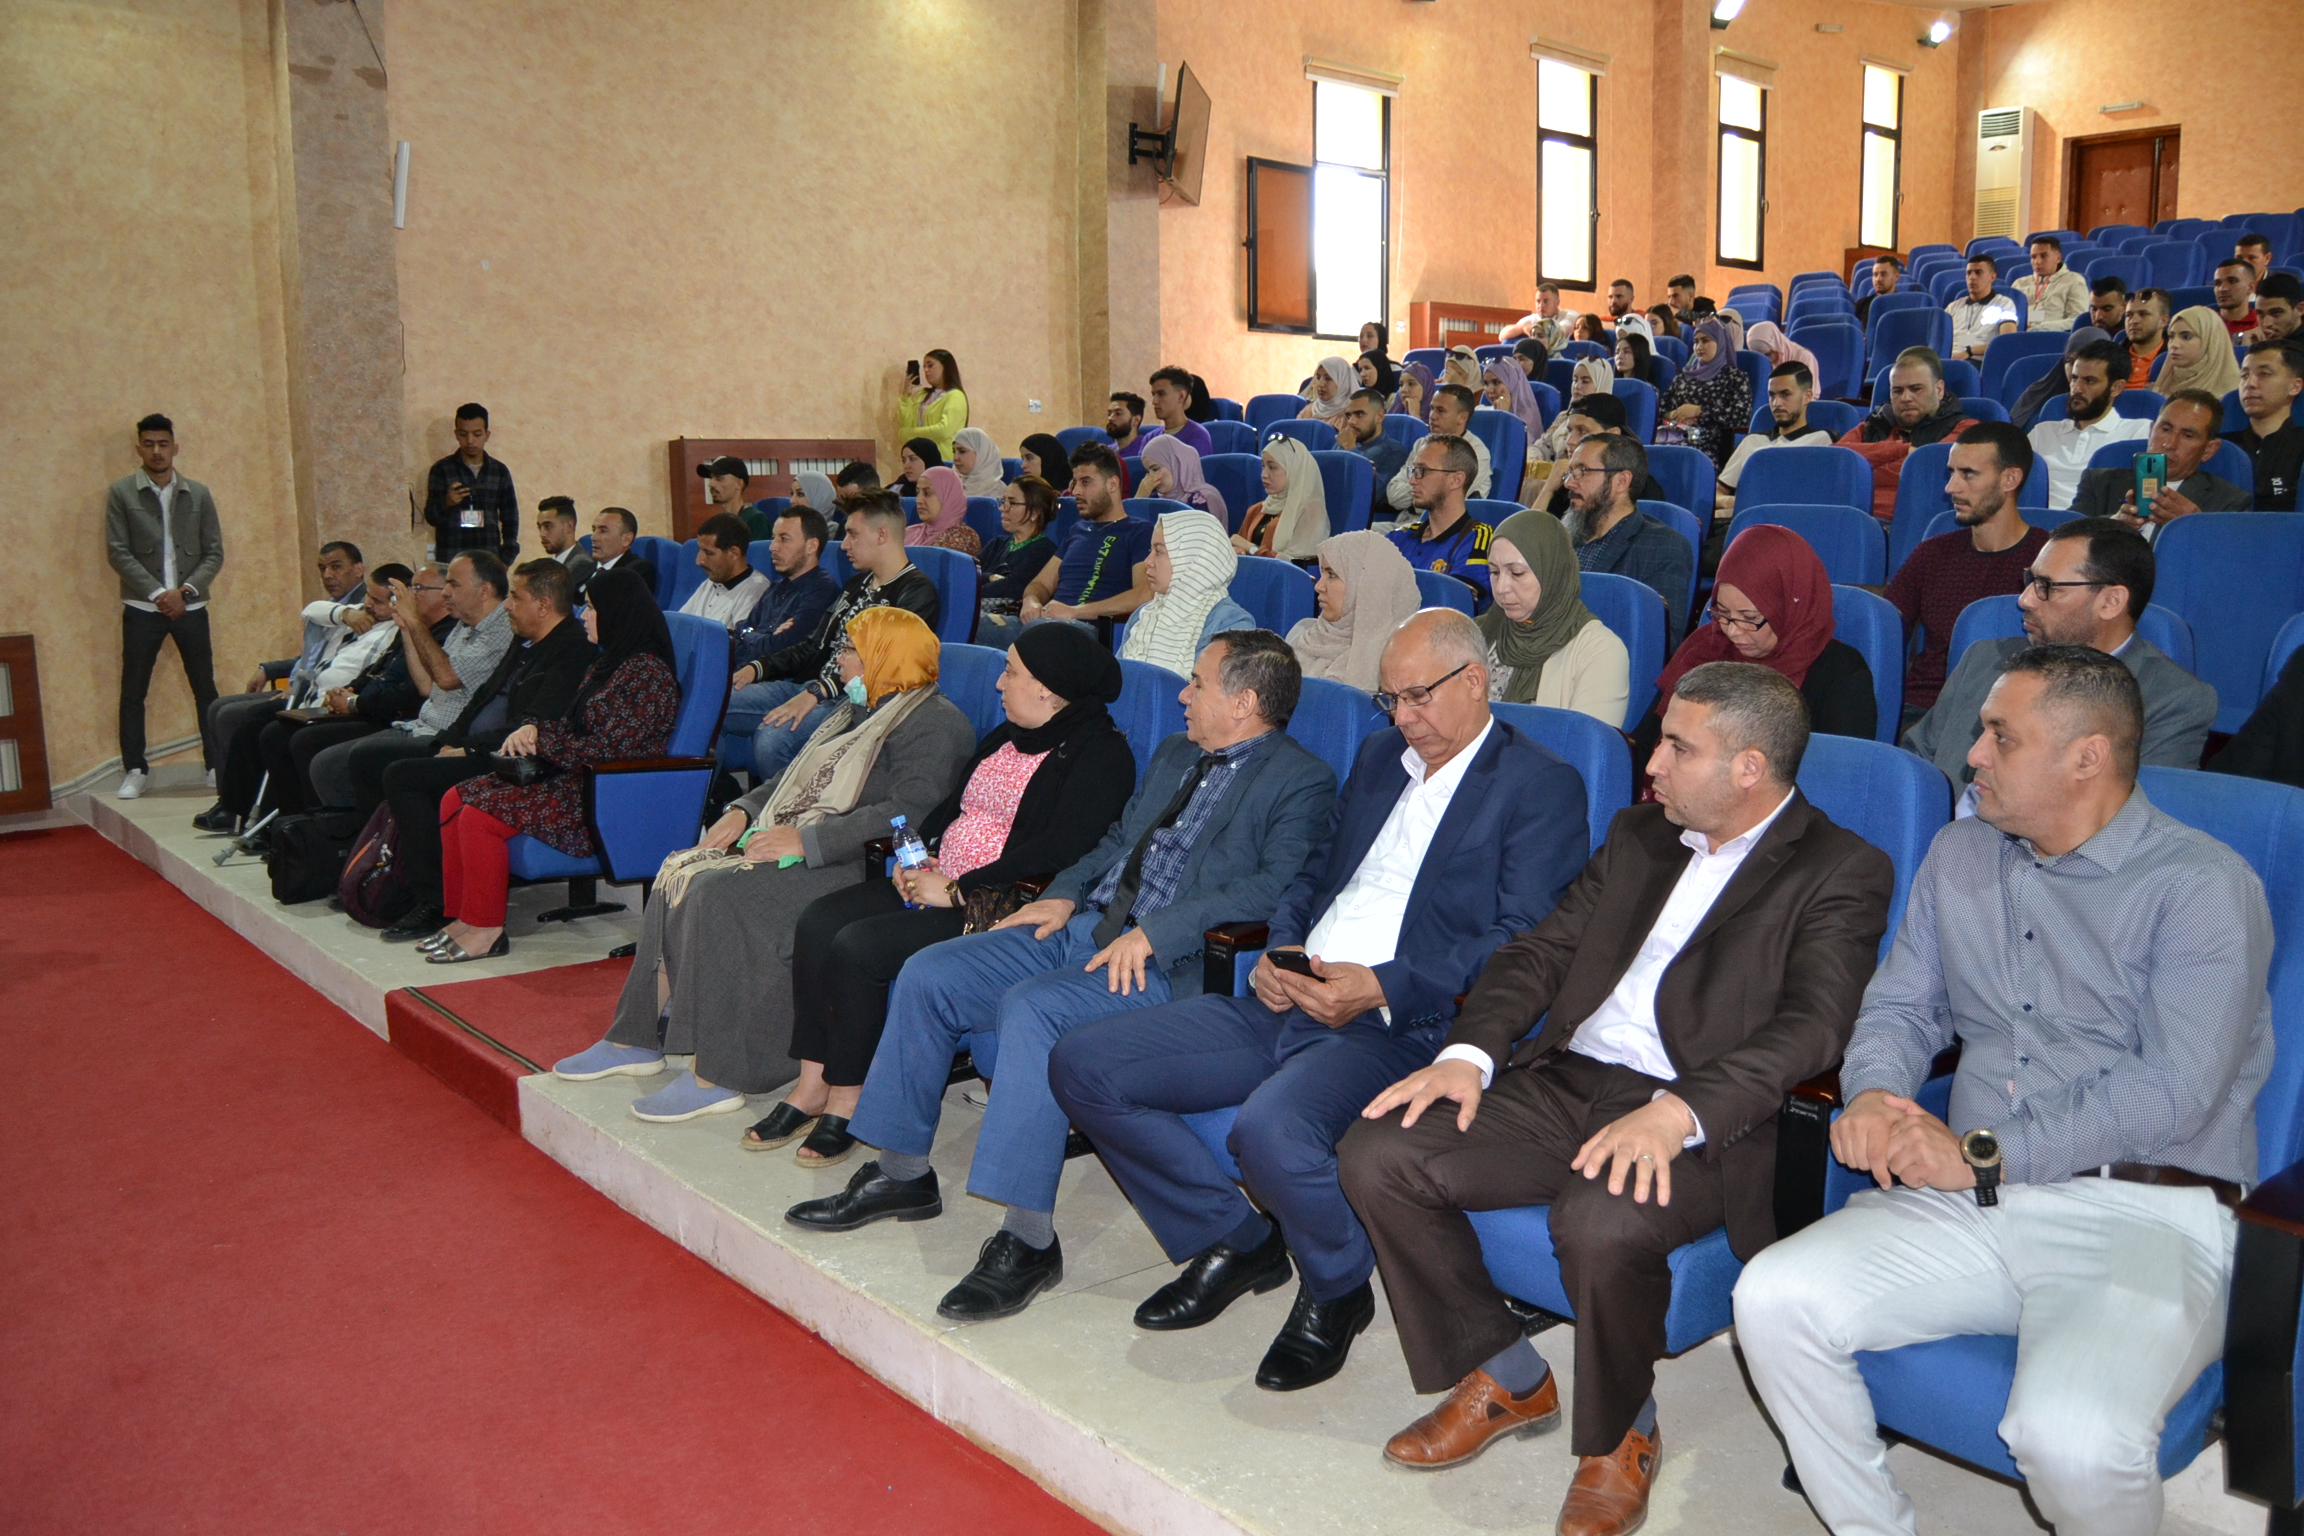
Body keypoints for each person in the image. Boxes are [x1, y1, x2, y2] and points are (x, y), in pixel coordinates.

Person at [1340, 661, 1892, 1535]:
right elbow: (1540, 953)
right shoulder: (1642, 834)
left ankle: (1622, 1433)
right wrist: (1469, 1055)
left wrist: (1680, 1112)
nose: (1653, 764)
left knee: (1599, 1220)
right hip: (1570, 1078)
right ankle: (1508, 1376)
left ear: (1749, 767)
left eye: (1678, 747)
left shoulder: (1841, 869)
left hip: (1702, 1114)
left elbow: (1814, 1029)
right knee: (1379, 1150)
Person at [1736, 644, 2270, 1536]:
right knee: (1772, 1297)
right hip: (1975, 1205)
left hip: (2144, 1211)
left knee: (2072, 1441)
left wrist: (1983, 1155)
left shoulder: (2202, 887)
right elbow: (1902, 1007)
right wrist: (1871, 1092)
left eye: (2000, 736)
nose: (1972, 753)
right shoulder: (1962, 852)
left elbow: (2173, 1091)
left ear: (2087, 757)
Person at [1051, 610, 1588, 1389]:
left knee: (1271, 1131)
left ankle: (1336, 1287)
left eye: (1418, 697)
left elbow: (1521, 938)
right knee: (1084, 1064)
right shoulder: (1380, 758)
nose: (1403, 718)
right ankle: (1237, 1238)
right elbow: (1313, 873)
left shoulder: (1538, 785)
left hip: (1399, 1024)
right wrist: (1281, 950)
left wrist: (1382, 985)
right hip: (1292, 994)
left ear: (1474, 681)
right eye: (1389, 700)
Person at [791, 631, 1338, 1325]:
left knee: (1033, 1010)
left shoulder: (1301, 780)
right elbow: (1115, 843)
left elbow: (1273, 888)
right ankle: (902, 1173)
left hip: (1166, 960)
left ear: (1244, 702)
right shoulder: (1177, 754)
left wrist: (1159, 931)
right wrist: (1061, 893)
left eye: (1198, 683)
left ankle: (1027, 1241)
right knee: (931, 972)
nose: (1182, 695)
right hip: (1087, 925)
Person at [554, 608, 976, 1118]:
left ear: (886, 658)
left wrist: (805, 840)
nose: (839, 662)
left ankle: (721, 1073)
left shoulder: (936, 725)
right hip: (810, 843)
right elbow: (794, 776)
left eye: (850, 652)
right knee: (678, 872)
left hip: (862, 864)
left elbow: (910, 812)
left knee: (717, 893)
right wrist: (744, 809)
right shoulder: (858, 709)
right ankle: (635, 1038)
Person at [756, 627, 1137, 1164]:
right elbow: (952, 806)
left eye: (1011, 672)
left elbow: (1062, 850)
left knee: (860, 947)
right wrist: (920, 855)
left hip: (995, 904)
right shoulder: (1007, 735)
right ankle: (812, 1084)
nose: (999, 684)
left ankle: (848, 1097)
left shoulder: (1101, 754)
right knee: (818, 922)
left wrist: (959, 890)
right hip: (940, 880)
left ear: (1047, 688)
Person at [422, 568, 676, 964]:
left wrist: (544, 742)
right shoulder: (609, 663)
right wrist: (535, 729)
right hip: (574, 777)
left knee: (478, 817)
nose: (582, 616)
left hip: (603, 792)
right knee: (454, 798)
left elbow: (612, 750)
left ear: (616, 613)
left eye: (591, 608)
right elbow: (578, 726)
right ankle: (464, 918)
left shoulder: (647, 674)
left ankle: (486, 930)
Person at [1904, 518, 2216, 795]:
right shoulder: (1982, 659)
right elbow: (1916, 769)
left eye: (2047, 586)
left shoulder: (2172, 701)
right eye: (2031, 580)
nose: (2025, 600)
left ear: (2111, 602)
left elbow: (2134, 821)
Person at [375, 558, 600, 942]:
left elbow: (534, 724)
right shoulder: (524, 639)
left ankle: (433, 901)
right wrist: (451, 739)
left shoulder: (572, 651)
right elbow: (482, 697)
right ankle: (391, 880)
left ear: (543, 605)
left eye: (516, 597)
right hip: (486, 745)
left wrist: (467, 750)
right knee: (374, 762)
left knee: (404, 776)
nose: (507, 605)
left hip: (521, 761)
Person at [726, 493, 939, 788]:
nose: (845, 544)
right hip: (812, 687)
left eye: (853, 534)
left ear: (881, 535)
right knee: (720, 701)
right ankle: (719, 795)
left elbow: (882, 666)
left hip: (855, 702)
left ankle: (794, 810)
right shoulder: (856, 584)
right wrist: (759, 667)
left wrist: (817, 692)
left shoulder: (915, 592)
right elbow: (814, 645)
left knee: (773, 740)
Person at [1633, 524, 1875, 755]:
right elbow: (1646, 745)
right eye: (1722, 613)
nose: (1732, 631)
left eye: (1749, 618)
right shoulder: (1705, 649)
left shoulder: (1841, 674)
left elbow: (1840, 774)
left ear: (1788, 609)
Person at [200, 566, 408, 829]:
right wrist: (345, 613)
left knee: (271, 728)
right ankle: (241, 810)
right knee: (250, 719)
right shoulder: (358, 614)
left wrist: (344, 694)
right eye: (368, 596)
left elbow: (374, 675)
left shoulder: (396, 630)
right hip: (313, 693)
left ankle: (280, 823)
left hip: (338, 701)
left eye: (377, 600)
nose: (368, 604)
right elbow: (310, 611)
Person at [1888, 423, 2052, 721]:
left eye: (1968, 474)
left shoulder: (2049, 559)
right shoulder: (1932, 553)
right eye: (1951, 472)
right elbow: (1886, 627)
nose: (1951, 487)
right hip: (1924, 710)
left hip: (2014, 714)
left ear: (2010, 479)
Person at [342, 551, 514, 820]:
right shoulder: (465, 625)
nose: (446, 592)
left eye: (454, 584)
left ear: (484, 591)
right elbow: (426, 686)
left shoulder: (500, 629)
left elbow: (446, 678)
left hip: (449, 736)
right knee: (332, 753)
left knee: (361, 758)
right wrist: (407, 628)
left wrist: (414, 621)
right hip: (422, 726)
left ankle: (380, 838)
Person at [109, 413, 225, 800]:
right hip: (142, 608)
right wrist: (159, 593)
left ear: (175, 448)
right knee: (133, 691)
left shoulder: (199, 494)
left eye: (163, 444)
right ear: (138, 448)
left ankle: (215, 765)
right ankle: (135, 770)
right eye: (149, 444)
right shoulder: (122, 493)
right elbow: (118, 552)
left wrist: (184, 592)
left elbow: (214, 553)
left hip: (191, 606)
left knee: (205, 689)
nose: (156, 451)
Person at [987, 444, 1154, 644]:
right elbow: (1040, 584)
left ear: (1112, 484)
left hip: (1087, 631)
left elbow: (1144, 595)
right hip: (1045, 624)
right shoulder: (1077, 531)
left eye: (1086, 482)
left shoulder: (1140, 532)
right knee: (974, 623)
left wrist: (1073, 612)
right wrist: (1032, 601)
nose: (1075, 491)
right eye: (1074, 482)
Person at [1477, 509, 1629, 724]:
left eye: (1517, 573)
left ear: (1552, 573)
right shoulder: (1475, 634)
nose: (1501, 588)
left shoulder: (1600, 651)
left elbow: (1585, 742)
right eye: (1494, 572)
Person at [1561, 433, 1695, 650]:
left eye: (1582, 471)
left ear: (1621, 481)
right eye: (1570, 472)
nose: (1569, 483)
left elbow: (1659, 641)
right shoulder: (1561, 538)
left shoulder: (1662, 546)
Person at [2072, 391, 2251, 529]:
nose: (2169, 444)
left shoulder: (2229, 502)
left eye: (2188, 436)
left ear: (2208, 450)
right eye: (2165, 429)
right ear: (2151, 431)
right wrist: (2110, 525)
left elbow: (2230, 558)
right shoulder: (2098, 483)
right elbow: (2065, 535)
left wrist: (2194, 526)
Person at [1838, 347, 1978, 521]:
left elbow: (1925, 472)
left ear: (1939, 390)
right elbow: (1837, 460)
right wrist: (1902, 450)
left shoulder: (1965, 429)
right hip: (1849, 519)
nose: (1905, 398)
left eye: (1916, 389)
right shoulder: (1873, 426)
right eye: (1897, 391)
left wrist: (1864, 466)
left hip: (1908, 524)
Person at [1118, 513, 1256, 677]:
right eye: (1150, 550)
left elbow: (1214, 690)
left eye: (1159, 551)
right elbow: (1117, 682)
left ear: (1193, 559)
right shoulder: (1142, 616)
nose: (1148, 561)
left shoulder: (1232, 625)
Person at [1286, 531, 1421, 693]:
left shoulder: (1389, 659)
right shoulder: (1303, 634)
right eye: (1322, 573)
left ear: (1366, 585)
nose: (1319, 586)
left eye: (1332, 575)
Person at [2024, 337, 2150, 507]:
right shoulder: (2042, 433)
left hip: (2099, 521)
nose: (2076, 388)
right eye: (2074, 378)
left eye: (2089, 381)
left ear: (2116, 388)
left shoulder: (2138, 432)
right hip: (2038, 520)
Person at [730, 504, 842, 672]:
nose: (772, 547)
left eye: (784, 539)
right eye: (773, 537)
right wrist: (758, 636)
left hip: (778, 679)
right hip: (743, 672)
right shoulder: (775, 588)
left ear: (811, 546)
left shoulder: (822, 590)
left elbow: (784, 650)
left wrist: (749, 636)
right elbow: (741, 629)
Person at [1716, 362, 1832, 516]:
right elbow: (1718, 492)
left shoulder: (1822, 441)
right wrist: (1733, 502)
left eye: (1785, 394)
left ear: (1807, 396)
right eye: (1772, 395)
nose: (1776, 403)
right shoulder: (1752, 441)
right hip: (1740, 520)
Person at [1387, 434, 1494, 601]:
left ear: (1456, 480)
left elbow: (1458, 603)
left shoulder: (1478, 539)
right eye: (1414, 470)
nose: (1412, 480)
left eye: (1423, 471)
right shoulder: (1399, 537)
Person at [423, 402, 518, 565]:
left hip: (489, 557)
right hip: (451, 556)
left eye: (477, 434)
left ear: (487, 435)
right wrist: (447, 502)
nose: (470, 441)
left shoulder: (499, 471)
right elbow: (431, 517)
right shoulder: (441, 469)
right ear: (456, 434)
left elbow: (510, 517)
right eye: (463, 434)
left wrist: (506, 559)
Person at [1657, 318, 1751, 470]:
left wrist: (1699, 411)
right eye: (1696, 341)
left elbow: (1741, 416)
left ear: (1721, 342)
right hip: (1672, 436)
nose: (1699, 346)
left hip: (1707, 445)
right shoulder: (1684, 375)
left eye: (1706, 340)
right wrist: (1675, 414)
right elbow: (1662, 410)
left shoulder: (1735, 377)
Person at [1386, 385, 1494, 510]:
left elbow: (1448, 500)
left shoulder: (1476, 452)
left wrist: (1418, 495)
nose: (1432, 416)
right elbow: (1393, 495)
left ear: (1462, 417)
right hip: (1406, 518)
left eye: (1441, 410)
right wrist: (1425, 491)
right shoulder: (1422, 444)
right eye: (1432, 408)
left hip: (1444, 521)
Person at [2227, 338, 2304, 511]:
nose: (2250, 384)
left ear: (2295, 386)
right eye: (2244, 376)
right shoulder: (2220, 446)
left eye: (2264, 374)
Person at [977, 476, 1060, 625]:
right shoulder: (997, 543)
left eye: (1013, 503)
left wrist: (973, 587)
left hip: (1009, 621)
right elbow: (968, 573)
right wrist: (990, 577)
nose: (1002, 508)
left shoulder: (1044, 551)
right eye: (1003, 501)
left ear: (1034, 513)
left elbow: (1011, 588)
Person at [1233, 436, 1328, 562]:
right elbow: (1238, 546)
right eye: (1263, 466)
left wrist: (1252, 549)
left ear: (1293, 470)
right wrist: (1237, 551)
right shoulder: (1257, 509)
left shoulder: (1310, 511)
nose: (1264, 475)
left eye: (1272, 467)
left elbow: (1294, 564)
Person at [2010, 324, 2116, 431]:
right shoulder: (2036, 394)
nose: (2075, 370)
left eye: (2087, 363)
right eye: (2071, 361)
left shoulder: (2115, 403)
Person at [677, 512, 770, 629]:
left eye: (709, 553)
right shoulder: (710, 582)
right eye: (700, 550)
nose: (699, 561)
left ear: (734, 553)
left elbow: (742, 639)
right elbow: (680, 625)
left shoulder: (756, 591)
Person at [1333, 387, 1408, 511]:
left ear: (1379, 416)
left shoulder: (1394, 452)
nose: (1351, 422)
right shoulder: (1341, 443)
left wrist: (1351, 449)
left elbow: (1373, 494)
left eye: (1359, 414)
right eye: (1348, 416)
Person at [1533, 357, 1616, 465]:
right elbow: (1540, 447)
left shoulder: (1604, 423)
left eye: (1585, 381)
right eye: (1575, 380)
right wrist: (1535, 462)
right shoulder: (1564, 417)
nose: (1577, 386)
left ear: (1602, 384)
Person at [2156, 304, 2243, 402]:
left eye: (2186, 337)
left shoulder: (2236, 396)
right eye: (2171, 336)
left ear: (2210, 341)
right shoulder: (2163, 384)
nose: (2174, 344)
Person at [1138, 434, 1228, 523]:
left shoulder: (1202, 500)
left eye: (1155, 469)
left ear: (1176, 465)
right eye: (1147, 471)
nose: (1151, 477)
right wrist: (1139, 498)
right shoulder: (1153, 498)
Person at [897, 348, 967, 461]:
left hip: (942, 459)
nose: (926, 370)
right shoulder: (923, 395)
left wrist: (907, 434)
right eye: (924, 367)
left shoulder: (955, 396)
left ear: (945, 367)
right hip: (919, 459)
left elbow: (943, 430)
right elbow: (906, 423)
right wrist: (906, 396)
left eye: (930, 365)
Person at [1947, 255, 2018, 363]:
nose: (1972, 277)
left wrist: (1970, 351)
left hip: (1980, 361)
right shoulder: (1953, 307)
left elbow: (2007, 341)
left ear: (1992, 277)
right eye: (1969, 273)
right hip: (1950, 360)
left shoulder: (2004, 304)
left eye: (1978, 272)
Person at [2013, 234, 2088, 330]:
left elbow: (2077, 320)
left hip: (2053, 335)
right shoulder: (2019, 284)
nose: (2037, 261)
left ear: (2058, 258)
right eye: (2033, 257)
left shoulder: (2074, 280)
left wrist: (2040, 328)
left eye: (2044, 256)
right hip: (2020, 334)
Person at [905, 464, 982, 556]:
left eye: (927, 493)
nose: (918, 500)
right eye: (918, 492)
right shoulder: (909, 532)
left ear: (948, 497)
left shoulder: (963, 537)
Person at [586, 507, 655, 599]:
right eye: (594, 530)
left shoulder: (636, 571)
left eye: (603, 531)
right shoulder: (586, 566)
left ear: (626, 539)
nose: (593, 537)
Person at [696, 455, 769, 539]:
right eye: (711, 478)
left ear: (739, 484)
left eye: (719, 479)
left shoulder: (755, 520)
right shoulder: (718, 524)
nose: (711, 484)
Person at [1148, 366, 1216, 456]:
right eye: (1153, 395)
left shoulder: (1197, 436)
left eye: (1161, 394)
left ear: (1181, 396)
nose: (1154, 401)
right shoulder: (1149, 438)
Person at [534, 497, 594, 589]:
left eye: (548, 526)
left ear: (569, 526)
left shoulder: (583, 566)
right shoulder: (546, 566)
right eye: (539, 527)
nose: (542, 534)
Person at [1743, 321, 1818, 386]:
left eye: (1767, 355)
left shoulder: (1803, 357)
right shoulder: (1758, 363)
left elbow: (1808, 392)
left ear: (1777, 346)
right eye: (1760, 356)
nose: (1765, 360)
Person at [2124, 287, 2172, 387]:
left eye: (2143, 314)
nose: (2133, 321)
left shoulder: (2176, 360)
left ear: (2164, 321)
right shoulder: (2109, 358)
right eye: (2129, 315)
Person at [2242, 272, 2302, 348]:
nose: (2266, 324)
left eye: (2275, 313)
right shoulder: (2256, 340)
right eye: (2260, 314)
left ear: (2300, 309)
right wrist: (2248, 348)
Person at [1502, 282, 1574, 341]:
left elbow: (1561, 332)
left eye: (1546, 301)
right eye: (1538, 301)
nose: (1541, 306)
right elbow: (1502, 335)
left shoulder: (1569, 315)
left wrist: (1536, 330)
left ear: (1557, 303)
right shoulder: (1533, 318)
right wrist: (1522, 327)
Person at [952, 427, 1007, 500]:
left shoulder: (999, 493)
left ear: (982, 454)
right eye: (954, 452)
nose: (955, 458)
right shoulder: (949, 486)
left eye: (962, 451)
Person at [2213, 257, 2260, 341]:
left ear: (2251, 287)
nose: (2222, 289)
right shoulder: (2204, 324)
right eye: (2218, 283)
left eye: (2232, 281)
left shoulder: (2262, 324)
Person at [1298, 356, 1354, 421]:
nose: (1320, 384)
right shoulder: (1308, 411)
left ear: (1343, 382)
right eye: (1318, 378)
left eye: (1328, 378)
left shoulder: (1352, 416)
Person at [1853, 254, 1902, 328]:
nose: (1878, 279)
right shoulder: (1862, 304)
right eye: (1875, 274)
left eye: (1883, 274)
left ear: (1896, 276)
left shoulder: (1903, 305)